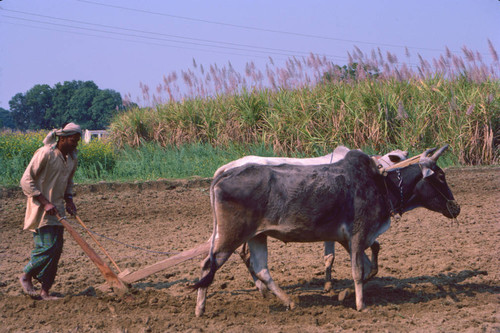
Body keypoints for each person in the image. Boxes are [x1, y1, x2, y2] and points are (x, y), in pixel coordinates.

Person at [19, 122, 82, 300]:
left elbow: (69, 182)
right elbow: (26, 180)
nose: (75, 144)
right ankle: (26, 275)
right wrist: (45, 202)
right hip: (41, 209)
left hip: (58, 209)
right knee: (47, 246)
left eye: (77, 141)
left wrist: (69, 200)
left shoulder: (72, 158)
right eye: (72, 140)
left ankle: (45, 291)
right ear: (62, 138)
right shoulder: (45, 153)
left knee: (57, 250)